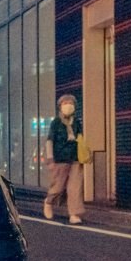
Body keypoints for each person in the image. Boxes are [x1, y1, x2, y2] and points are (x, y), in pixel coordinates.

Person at [44, 93, 85, 224]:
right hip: (60, 159)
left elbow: (80, 140)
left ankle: (74, 214)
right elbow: (49, 141)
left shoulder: (77, 122)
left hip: (75, 159)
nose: (68, 105)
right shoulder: (56, 123)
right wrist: (50, 159)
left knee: (75, 188)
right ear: (60, 107)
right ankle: (48, 202)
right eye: (65, 103)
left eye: (70, 103)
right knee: (57, 187)